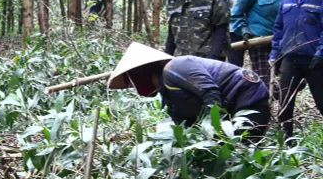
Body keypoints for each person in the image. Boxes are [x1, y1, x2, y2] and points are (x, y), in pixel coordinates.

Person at [108, 42, 270, 137]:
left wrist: (213, 128)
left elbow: (210, 92)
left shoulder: (175, 67)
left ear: (143, 74)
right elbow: (184, 124)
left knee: (241, 155)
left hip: (248, 100)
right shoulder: (169, 94)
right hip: (233, 105)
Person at [269, 0, 323, 139]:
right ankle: (287, 140)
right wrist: (275, 55)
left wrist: (321, 53)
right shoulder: (288, 0)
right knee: (285, 102)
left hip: (315, 60)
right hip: (290, 59)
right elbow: (278, 29)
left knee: (321, 101)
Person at [229, 0, 293, 87]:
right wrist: (244, 31)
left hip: (287, 44)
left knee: (293, 82)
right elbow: (236, 14)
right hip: (261, 44)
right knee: (265, 84)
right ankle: (262, 105)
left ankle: (280, 104)